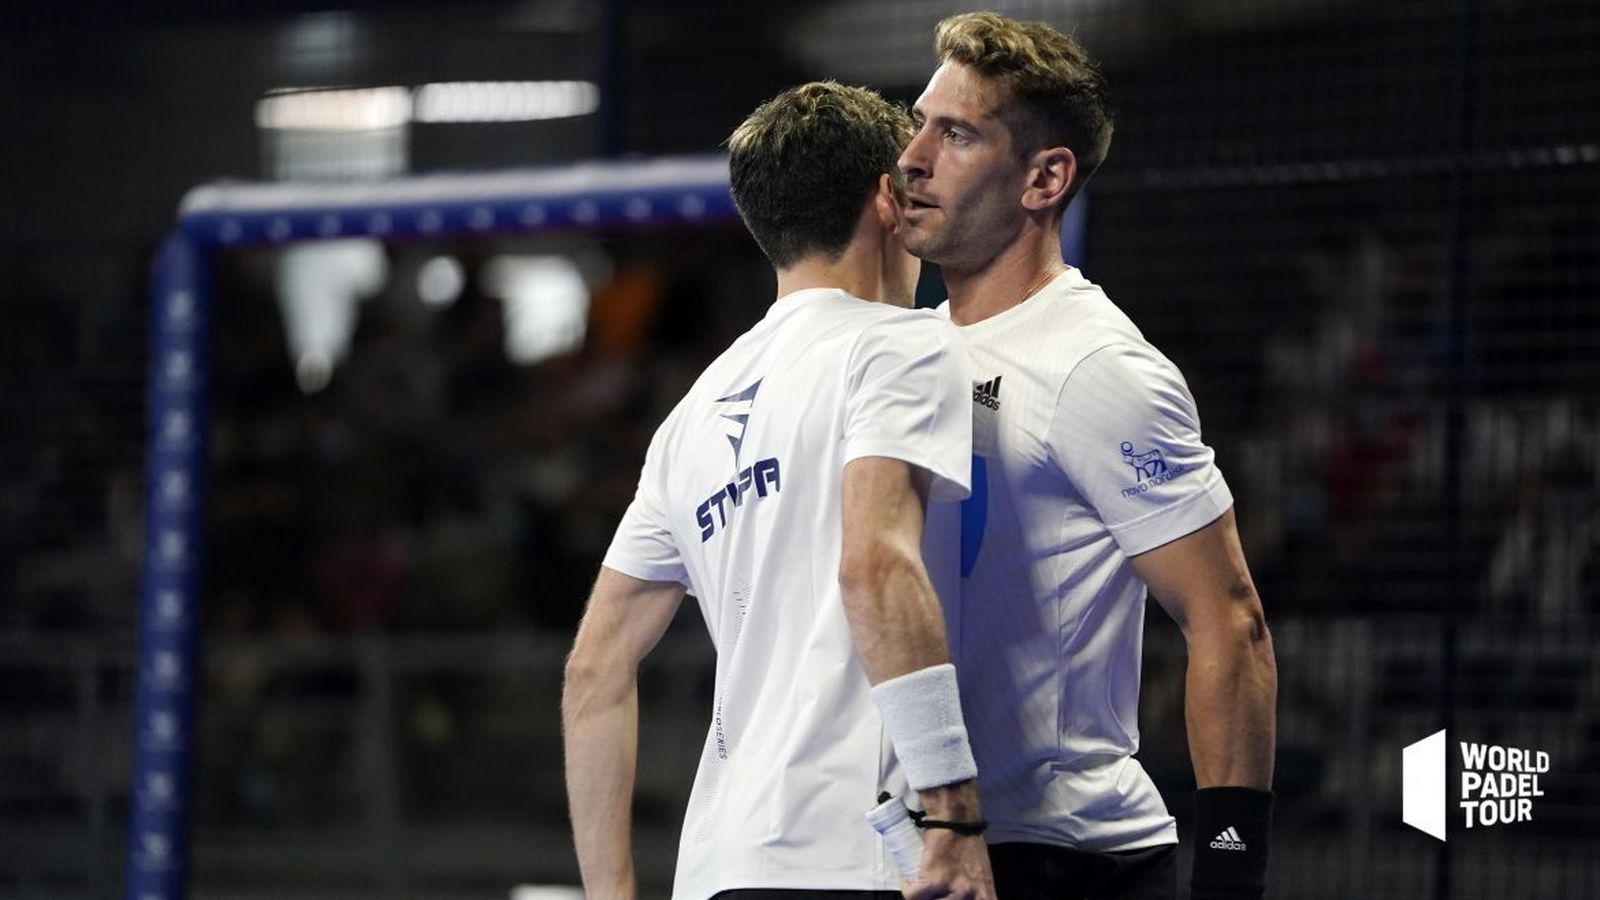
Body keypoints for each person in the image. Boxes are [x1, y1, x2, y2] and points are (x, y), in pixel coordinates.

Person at [562, 81, 996, 900]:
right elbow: (874, 566)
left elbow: (594, 668)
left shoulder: (689, 418)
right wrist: (955, 815)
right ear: (887, 200)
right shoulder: (902, 346)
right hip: (854, 859)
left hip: (718, 868)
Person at [896, 12, 1279, 900]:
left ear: (1045, 178)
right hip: (927, 847)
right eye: (918, 125)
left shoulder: (1097, 367)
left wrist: (1231, 876)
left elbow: (1229, 623)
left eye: (956, 134)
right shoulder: (903, 352)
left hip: (1063, 856)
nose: (912, 157)